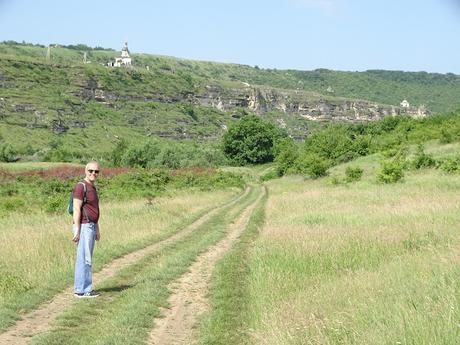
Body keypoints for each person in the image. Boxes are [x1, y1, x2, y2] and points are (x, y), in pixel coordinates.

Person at [72, 161, 101, 298]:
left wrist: (97, 228)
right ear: (85, 170)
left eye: (96, 171)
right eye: (91, 171)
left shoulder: (92, 187)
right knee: (84, 259)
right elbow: (77, 208)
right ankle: (81, 290)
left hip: (91, 226)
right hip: (84, 226)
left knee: (86, 258)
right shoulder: (80, 186)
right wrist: (77, 229)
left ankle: (85, 289)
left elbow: (94, 210)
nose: (93, 173)